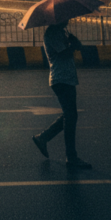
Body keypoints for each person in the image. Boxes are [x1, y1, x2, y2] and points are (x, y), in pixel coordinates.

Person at [32, 21, 91, 170]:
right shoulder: (52, 33)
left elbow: (74, 49)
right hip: (61, 79)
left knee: (69, 115)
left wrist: (75, 42)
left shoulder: (61, 32)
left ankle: (43, 138)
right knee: (70, 116)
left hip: (68, 78)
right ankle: (71, 157)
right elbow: (64, 54)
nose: (68, 20)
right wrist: (73, 45)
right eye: (65, 18)